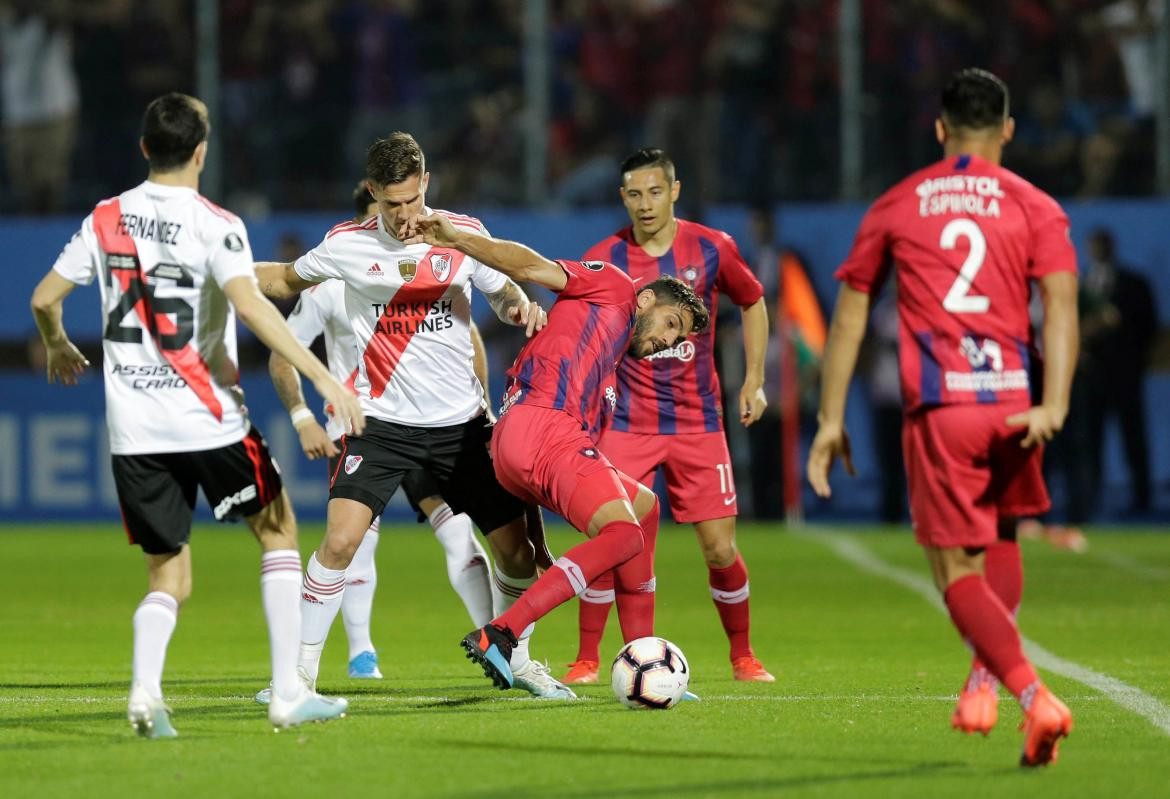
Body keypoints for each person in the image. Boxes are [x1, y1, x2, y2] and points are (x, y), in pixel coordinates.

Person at [27, 92, 362, 736]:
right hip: (209, 418)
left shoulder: (106, 217)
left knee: (168, 575)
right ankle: (287, 692)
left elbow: (46, 298)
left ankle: (146, 693)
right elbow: (254, 308)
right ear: (202, 151)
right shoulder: (217, 223)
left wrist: (57, 342)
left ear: (145, 147)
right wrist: (321, 374)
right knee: (278, 530)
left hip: (135, 431)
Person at [806, 68, 1078, 767]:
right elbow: (1062, 305)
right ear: (1008, 130)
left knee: (951, 564)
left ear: (939, 129)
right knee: (1006, 533)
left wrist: (831, 417)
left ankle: (1031, 694)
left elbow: (852, 314)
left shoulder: (899, 203)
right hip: (1016, 400)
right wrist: (1055, 402)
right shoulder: (1036, 204)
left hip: (944, 405)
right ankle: (982, 681)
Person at [254, 132, 573, 699]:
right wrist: (219, 266)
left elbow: (504, 294)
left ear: (425, 183)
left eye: (411, 200)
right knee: (340, 542)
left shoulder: (462, 235)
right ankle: (297, 675)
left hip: (462, 429)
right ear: (373, 193)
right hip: (381, 426)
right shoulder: (347, 244)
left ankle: (515, 656)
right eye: (391, 204)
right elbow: (282, 278)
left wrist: (521, 305)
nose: (404, 216)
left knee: (517, 551)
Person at [397, 210, 708, 694]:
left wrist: (539, 543)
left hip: (525, 442)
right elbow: (530, 267)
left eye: (678, 337)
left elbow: (537, 473)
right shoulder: (615, 288)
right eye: (671, 323)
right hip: (543, 424)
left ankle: (644, 655)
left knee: (643, 509)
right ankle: (502, 633)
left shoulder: (603, 379)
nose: (669, 340)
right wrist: (459, 239)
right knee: (622, 533)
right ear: (647, 299)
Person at [264, 181, 495, 682]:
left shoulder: (435, 259)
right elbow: (282, 354)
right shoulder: (330, 282)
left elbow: (471, 339)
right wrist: (304, 416)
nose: (401, 226)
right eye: (386, 215)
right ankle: (359, 651)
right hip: (364, 423)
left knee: (460, 534)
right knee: (352, 543)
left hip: (436, 422)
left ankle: (497, 643)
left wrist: (484, 404)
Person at [563, 148, 774, 685]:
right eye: (634, 194)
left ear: (675, 191)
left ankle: (744, 656)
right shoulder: (605, 255)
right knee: (614, 543)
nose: (645, 204)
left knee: (720, 547)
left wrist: (754, 378)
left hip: (699, 424)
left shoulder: (712, 247)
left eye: (655, 192)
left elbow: (752, 301)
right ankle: (589, 659)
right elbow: (582, 326)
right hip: (628, 425)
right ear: (622, 198)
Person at [1079, 228, 1157, 515]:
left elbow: (1147, 327)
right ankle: (1090, 496)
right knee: (1091, 439)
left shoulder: (1134, 283)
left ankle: (1142, 496)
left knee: (1133, 437)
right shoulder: (1081, 283)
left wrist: (1134, 361)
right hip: (1092, 376)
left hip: (1126, 375)